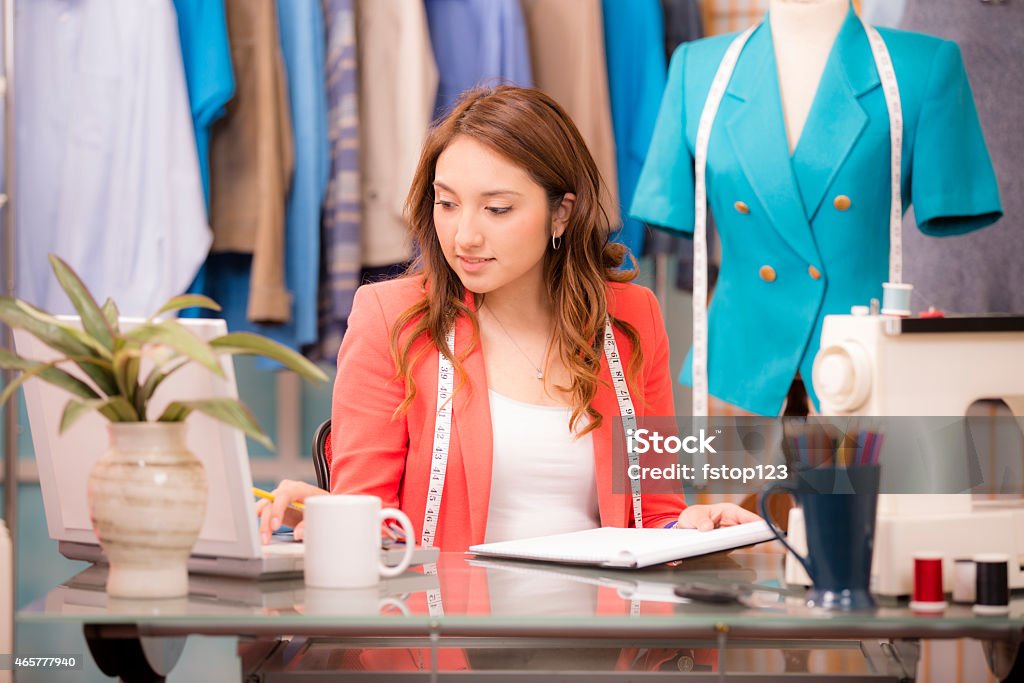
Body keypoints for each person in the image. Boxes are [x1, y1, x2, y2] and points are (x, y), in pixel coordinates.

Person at [258, 85, 759, 547]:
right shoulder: (393, 318)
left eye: (496, 209)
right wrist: (333, 515)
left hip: (602, 636)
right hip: (449, 634)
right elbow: (371, 514)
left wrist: (692, 526)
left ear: (561, 213)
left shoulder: (630, 319)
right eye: (447, 203)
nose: (464, 236)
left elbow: (654, 514)